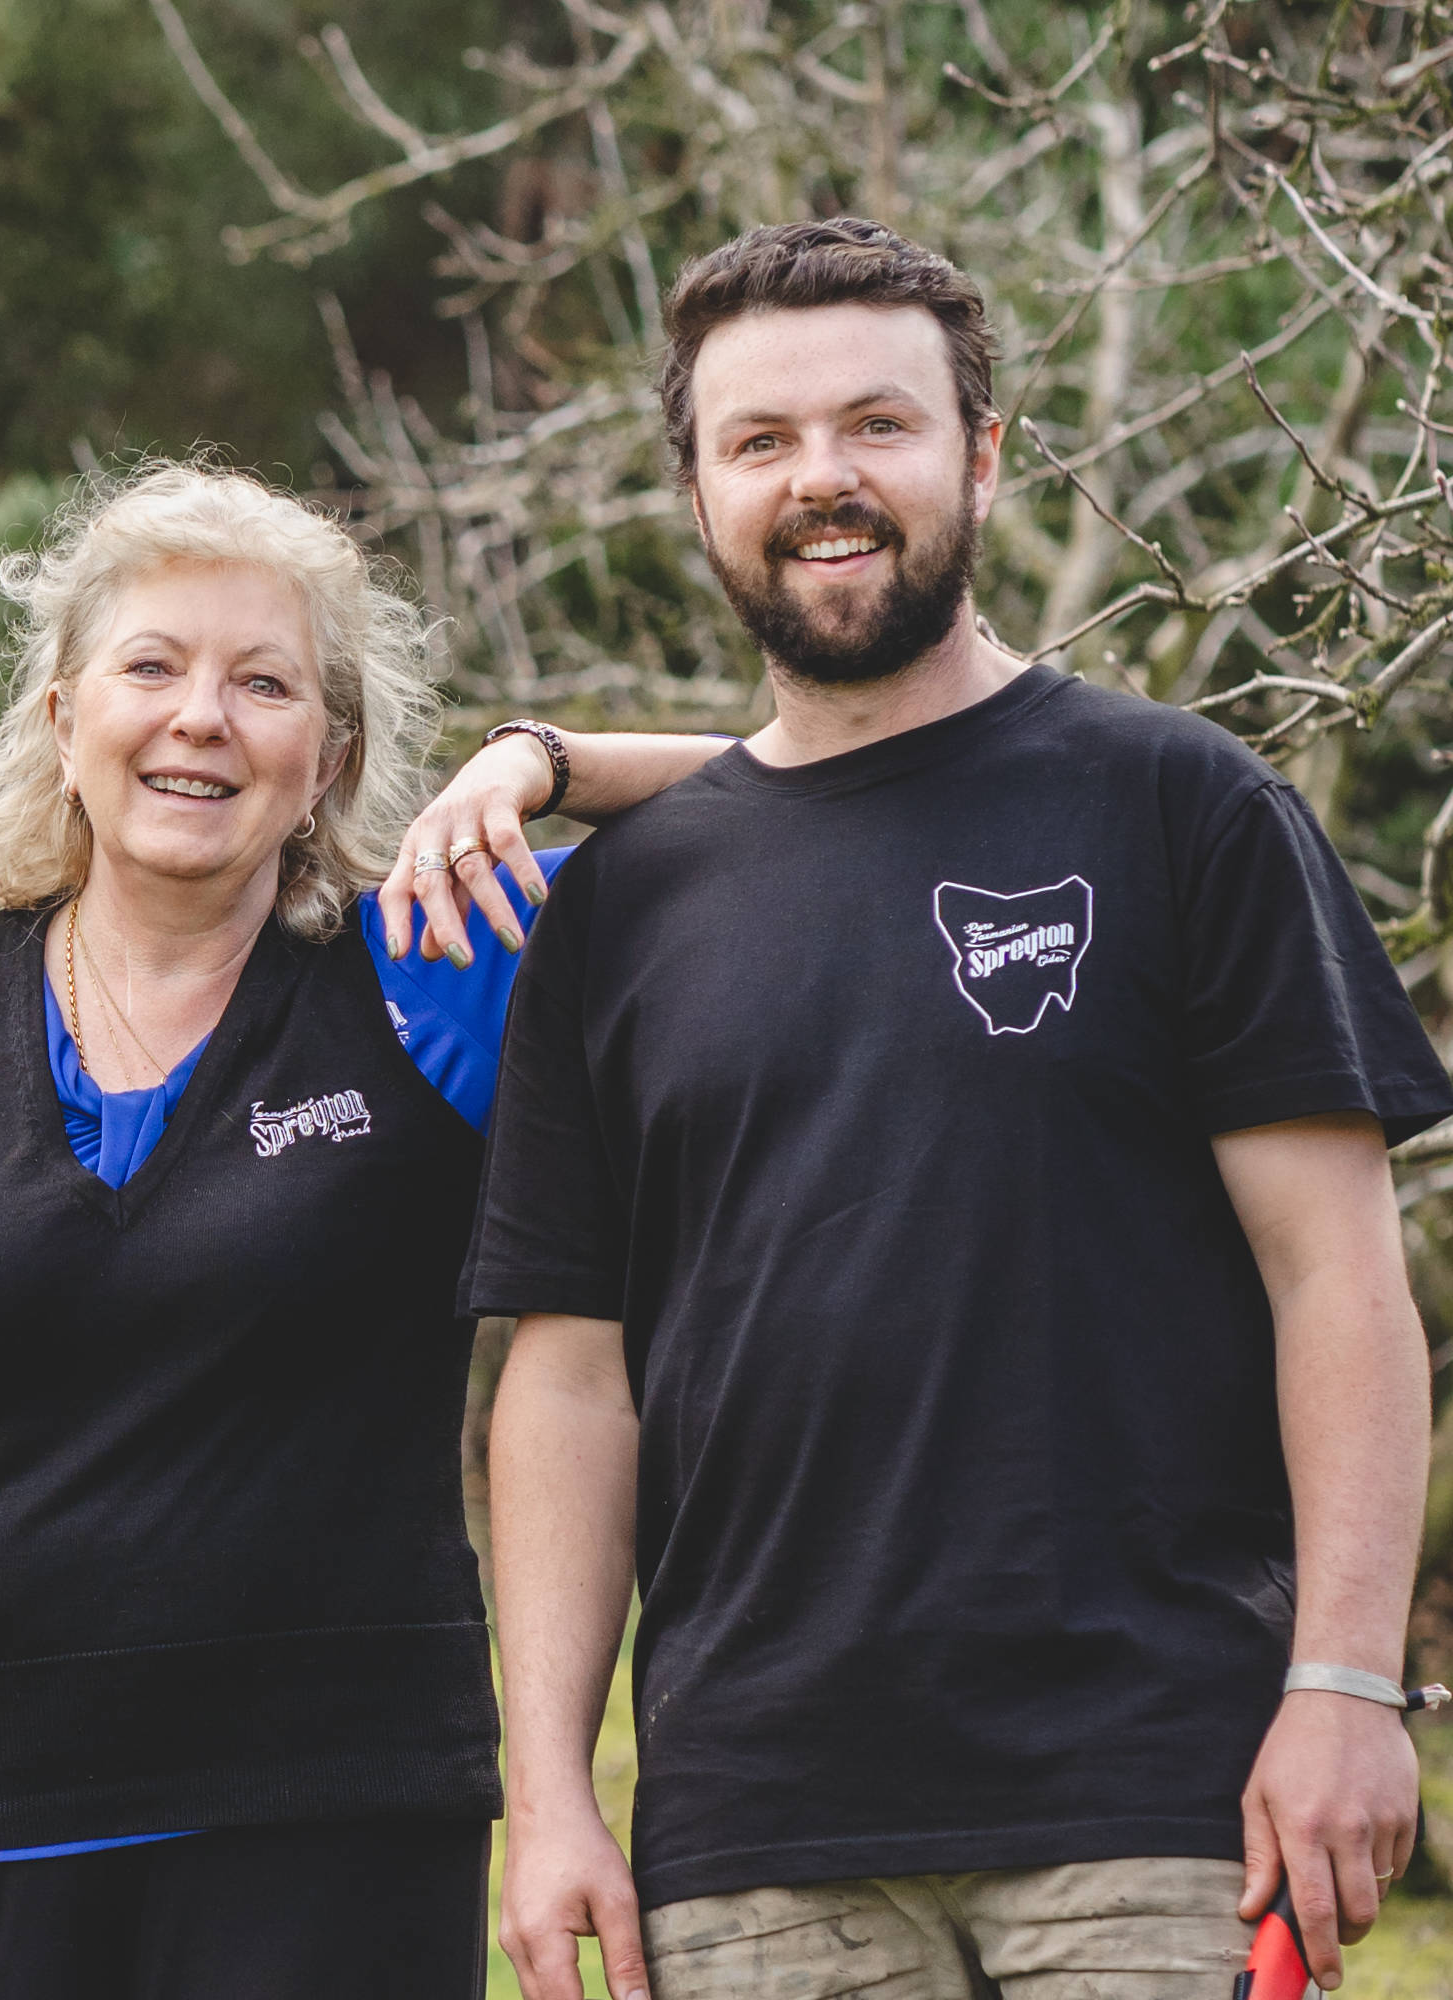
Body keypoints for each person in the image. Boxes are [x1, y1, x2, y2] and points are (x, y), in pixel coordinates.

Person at [462, 218, 1453, 2000]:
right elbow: (570, 1377)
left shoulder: (1182, 810)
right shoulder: (619, 907)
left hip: (1160, 1805)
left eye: (878, 426)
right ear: (695, 491)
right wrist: (549, 1794)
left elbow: (1340, 1284)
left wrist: (1345, 1684)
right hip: (757, 1839)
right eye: (759, 442)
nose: (821, 480)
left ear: (984, 456)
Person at [0, 461, 720, 2000]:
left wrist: (539, 763)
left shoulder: (432, 966)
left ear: (328, 757)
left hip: (340, 1831)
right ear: (61, 717)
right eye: (153, 667)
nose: (203, 719)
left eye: (266, 684)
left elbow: (807, 792)